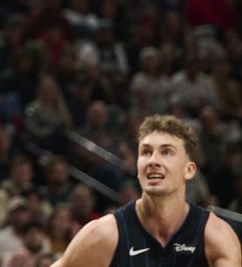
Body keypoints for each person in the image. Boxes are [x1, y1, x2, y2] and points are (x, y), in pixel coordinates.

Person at [53, 114, 241, 266]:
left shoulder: (215, 236)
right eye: (146, 152)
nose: (153, 161)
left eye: (166, 152)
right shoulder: (103, 235)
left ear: (189, 170)